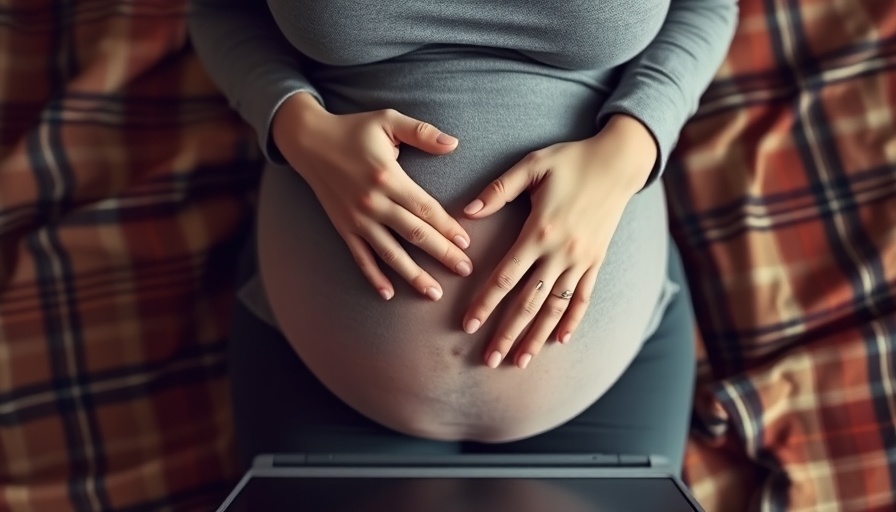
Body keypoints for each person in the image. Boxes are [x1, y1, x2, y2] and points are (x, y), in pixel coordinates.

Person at [188, 0, 737, 475]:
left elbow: (708, 5)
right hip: (318, 384)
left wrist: (635, 143)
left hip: (610, 391)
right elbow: (222, 10)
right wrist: (295, 125)